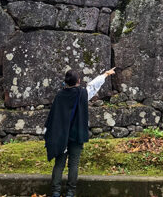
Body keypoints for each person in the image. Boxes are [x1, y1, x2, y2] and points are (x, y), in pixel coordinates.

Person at [44, 67, 116, 197]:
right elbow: (93, 86)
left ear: (66, 81)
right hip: (76, 134)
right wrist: (105, 74)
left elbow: (53, 117)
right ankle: (70, 192)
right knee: (74, 164)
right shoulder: (82, 93)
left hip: (61, 135)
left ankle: (55, 192)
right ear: (78, 80)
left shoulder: (60, 95)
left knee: (59, 164)